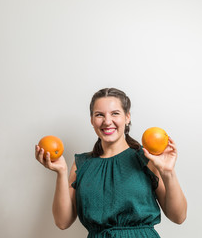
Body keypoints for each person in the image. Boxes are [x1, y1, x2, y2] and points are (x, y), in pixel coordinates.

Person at [35, 88, 187, 237]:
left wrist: (168, 173)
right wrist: (61, 172)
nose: (107, 122)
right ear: (92, 120)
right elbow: (62, 222)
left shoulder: (147, 158)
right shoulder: (82, 164)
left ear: (127, 117)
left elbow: (178, 217)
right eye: (99, 115)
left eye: (115, 113)